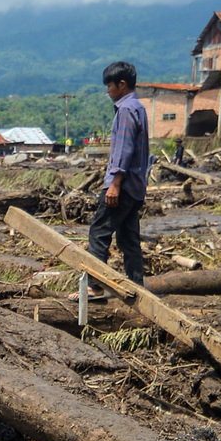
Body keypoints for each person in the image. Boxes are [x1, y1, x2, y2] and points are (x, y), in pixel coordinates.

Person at [88, 61, 151, 288]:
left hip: (122, 186)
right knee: (128, 239)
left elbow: (124, 149)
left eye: (110, 86)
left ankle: (94, 286)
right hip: (135, 187)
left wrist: (114, 183)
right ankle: (137, 286)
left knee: (99, 233)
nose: (108, 91)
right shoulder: (139, 108)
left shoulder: (125, 110)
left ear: (122, 84)